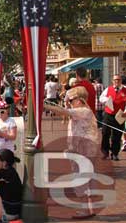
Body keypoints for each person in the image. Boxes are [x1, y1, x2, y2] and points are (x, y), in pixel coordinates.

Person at [44, 86, 98, 219]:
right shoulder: (82, 111)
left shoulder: (83, 111)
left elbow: (63, 111)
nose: (69, 102)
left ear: (79, 100)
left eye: (71, 100)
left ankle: (86, 210)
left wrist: (44, 105)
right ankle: (88, 208)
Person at [99, 74, 126, 160]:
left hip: (120, 115)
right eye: (115, 80)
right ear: (112, 81)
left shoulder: (125, 90)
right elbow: (101, 98)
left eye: (118, 80)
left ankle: (115, 153)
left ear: (121, 81)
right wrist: (107, 99)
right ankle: (105, 152)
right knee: (105, 133)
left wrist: (125, 112)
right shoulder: (108, 89)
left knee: (117, 135)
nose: (117, 81)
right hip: (108, 114)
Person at [0, 149, 22, 221]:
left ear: (4, 163)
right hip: (12, 210)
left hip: (8, 212)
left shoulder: (4, 173)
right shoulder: (11, 171)